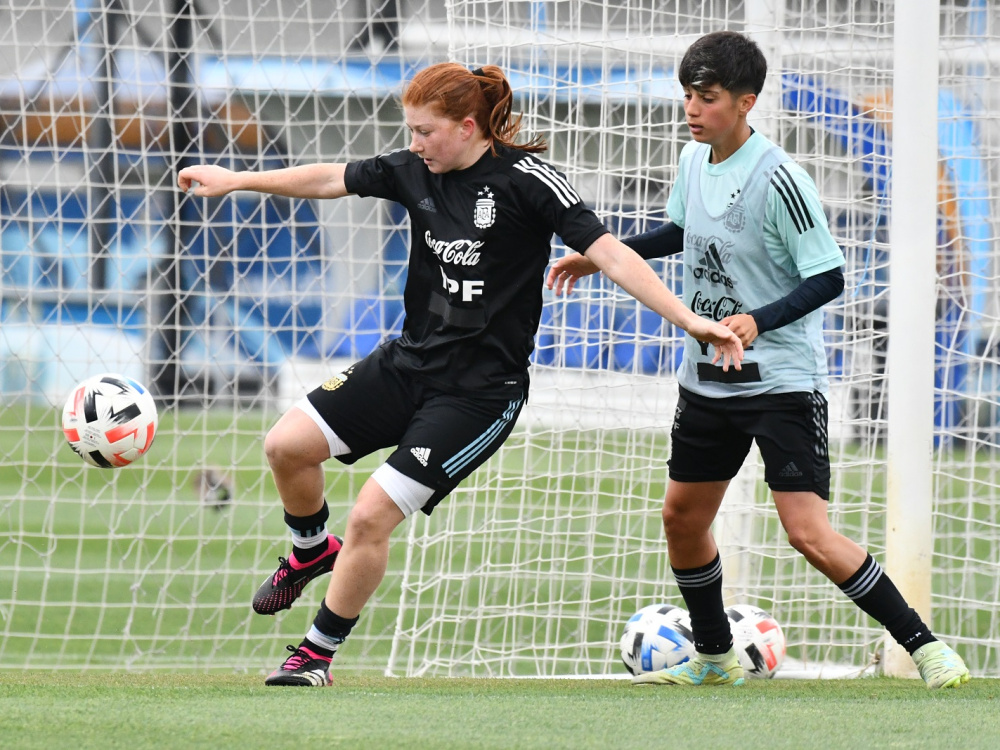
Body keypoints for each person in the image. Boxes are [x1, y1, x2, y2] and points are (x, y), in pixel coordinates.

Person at [178, 62, 743, 686]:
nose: (414, 144)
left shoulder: (529, 182)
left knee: (369, 515)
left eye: (425, 132)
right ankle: (312, 551)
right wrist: (238, 179)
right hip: (407, 363)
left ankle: (314, 656)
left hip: (478, 396)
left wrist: (690, 321)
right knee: (285, 445)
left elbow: (610, 254)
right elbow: (330, 178)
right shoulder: (414, 169)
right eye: (411, 132)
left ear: (467, 127)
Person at [547, 31, 970, 689]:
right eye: (688, 95)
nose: (692, 108)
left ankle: (927, 649)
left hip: (780, 383)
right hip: (708, 380)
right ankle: (715, 658)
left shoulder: (780, 177)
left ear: (745, 102)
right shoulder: (693, 160)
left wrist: (758, 319)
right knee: (682, 519)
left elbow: (829, 275)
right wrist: (605, 254)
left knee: (808, 534)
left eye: (707, 97)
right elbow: (682, 231)